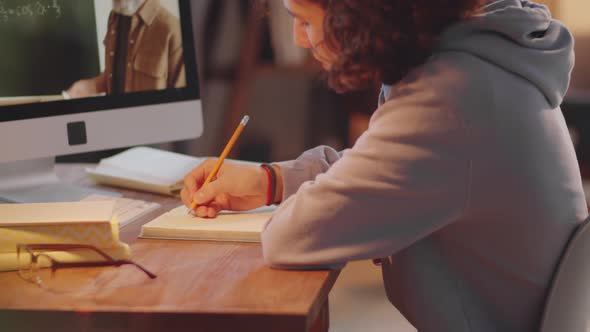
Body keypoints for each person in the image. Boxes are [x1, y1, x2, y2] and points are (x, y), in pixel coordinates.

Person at [181, 0, 588, 331]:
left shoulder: (449, 99)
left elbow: (292, 237)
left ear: (357, 15)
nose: (298, 39)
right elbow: (394, 165)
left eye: (304, 20)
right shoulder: (469, 66)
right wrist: (269, 181)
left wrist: (290, 195)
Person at [67, 0, 186, 98]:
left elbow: (181, 108)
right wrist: (90, 86)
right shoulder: (116, 17)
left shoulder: (173, 30)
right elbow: (118, 74)